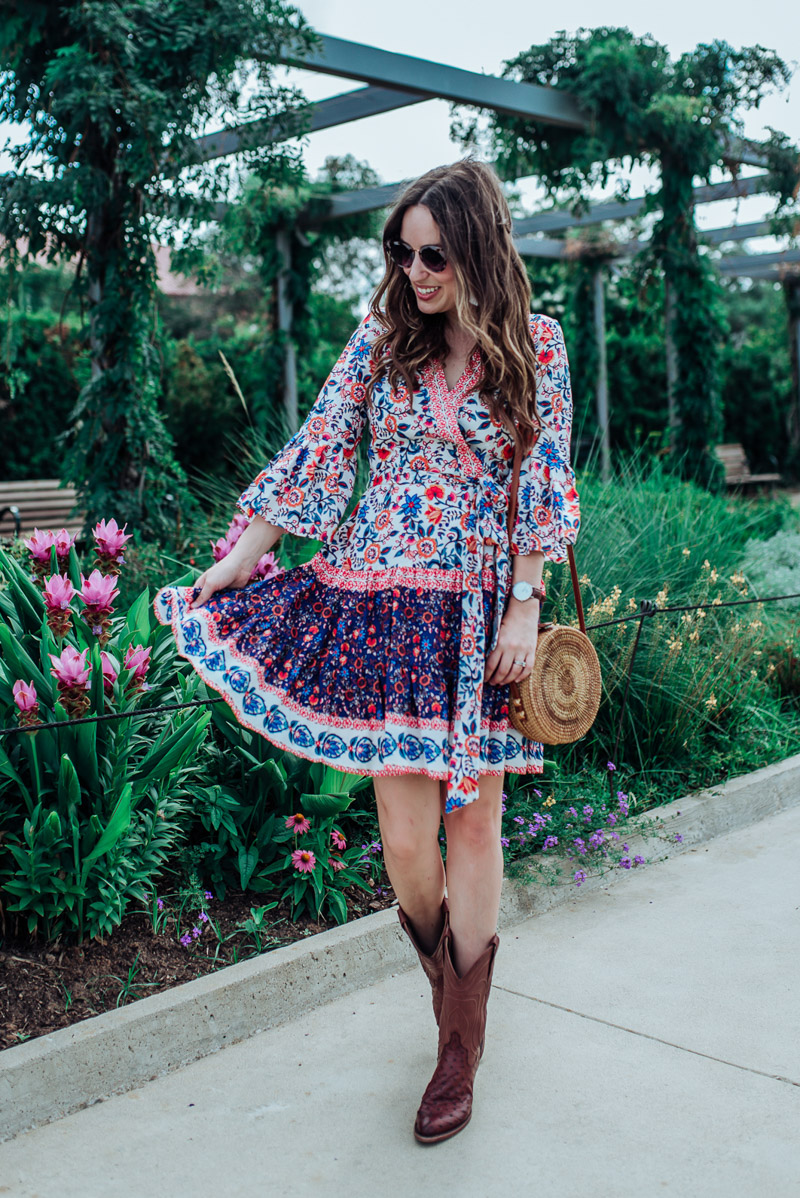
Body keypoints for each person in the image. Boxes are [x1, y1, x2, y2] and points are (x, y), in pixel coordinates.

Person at [153, 158, 579, 1144]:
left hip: (479, 613)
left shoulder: (537, 347)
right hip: (383, 606)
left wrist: (523, 606)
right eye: (400, 249)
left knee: (474, 828)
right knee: (401, 839)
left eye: (431, 252)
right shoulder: (381, 339)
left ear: (474, 248)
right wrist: (238, 557)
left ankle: (457, 1043)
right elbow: (319, 449)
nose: (413, 268)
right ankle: (448, 981)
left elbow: (539, 481)